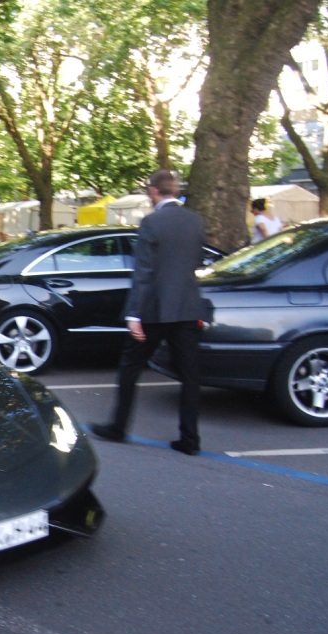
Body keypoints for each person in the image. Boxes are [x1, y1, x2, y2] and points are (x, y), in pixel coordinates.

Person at [90, 169, 207, 456]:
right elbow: (196, 262)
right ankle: (190, 440)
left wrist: (133, 315)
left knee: (130, 367)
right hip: (188, 308)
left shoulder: (152, 222)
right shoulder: (195, 221)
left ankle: (118, 427)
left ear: (154, 191)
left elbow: (143, 272)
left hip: (155, 310)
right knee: (190, 376)